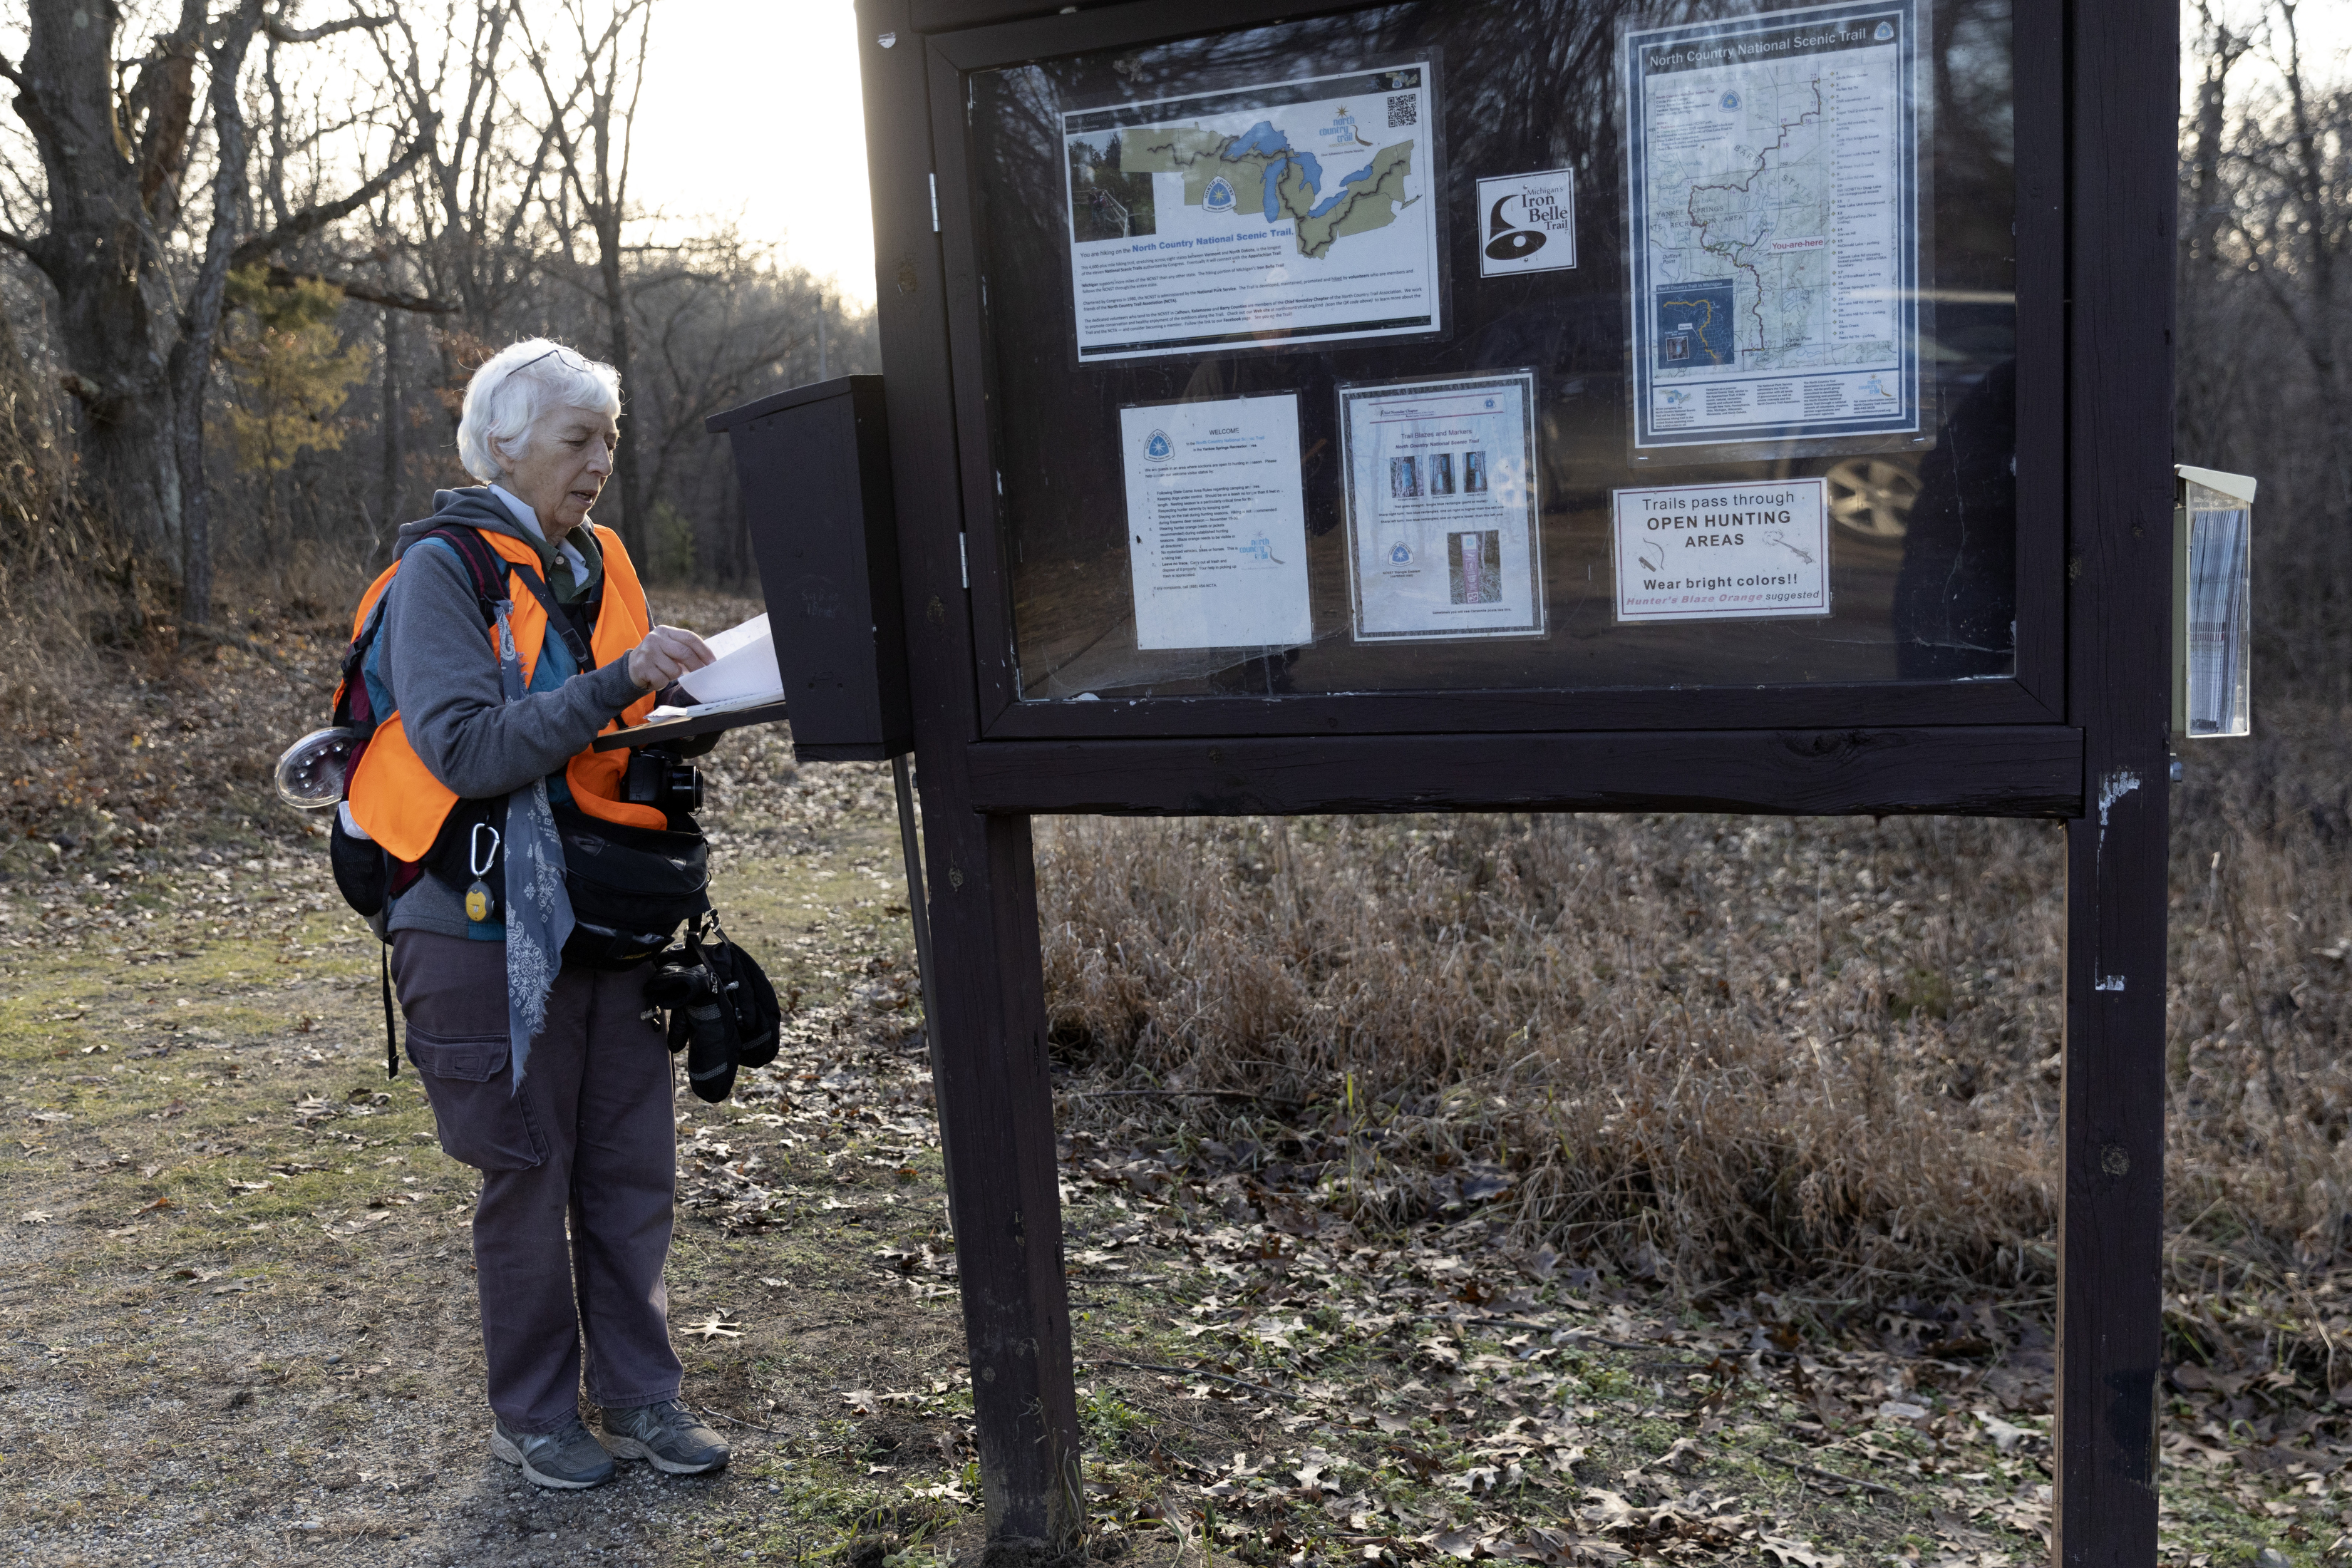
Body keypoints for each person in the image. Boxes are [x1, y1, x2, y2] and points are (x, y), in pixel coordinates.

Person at [347, 339, 728, 1490]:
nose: (601, 461)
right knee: (528, 1174)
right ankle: (534, 1416)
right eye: (579, 438)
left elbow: (602, 732)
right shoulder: (442, 573)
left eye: (611, 438)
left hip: (606, 917)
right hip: (474, 922)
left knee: (629, 1167)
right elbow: (464, 746)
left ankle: (642, 1398)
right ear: (503, 444)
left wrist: (687, 708)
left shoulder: (596, 561)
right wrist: (621, 688)